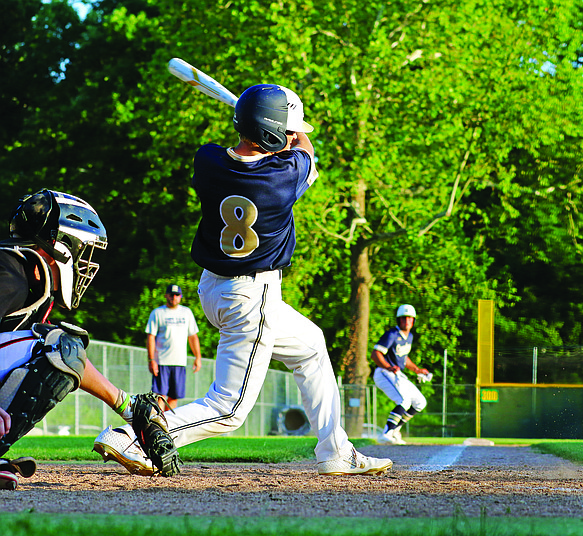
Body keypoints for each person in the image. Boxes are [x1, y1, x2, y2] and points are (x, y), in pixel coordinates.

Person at [95, 83, 392, 476]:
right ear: (271, 134)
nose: (291, 136)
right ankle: (132, 436)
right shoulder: (282, 177)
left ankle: (335, 450)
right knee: (229, 409)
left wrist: (258, 119)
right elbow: (304, 148)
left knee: (312, 348)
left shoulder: (208, 161)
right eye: (284, 131)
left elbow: (244, 154)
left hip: (213, 288)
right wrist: (285, 132)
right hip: (252, 297)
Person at [0, 189, 173, 489]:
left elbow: (69, 357)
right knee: (59, 346)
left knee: (63, 345)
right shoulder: (9, 274)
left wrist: (128, 407)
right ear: (61, 247)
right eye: (83, 252)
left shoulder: (23, 277)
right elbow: (59, 350)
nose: (85, 264)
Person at [372, 304, 431, 445]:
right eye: (404, 318)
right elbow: (376, 354)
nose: (407, 321)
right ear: (398, 320)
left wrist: (416, 370)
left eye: (410, 318)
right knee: (404, 400)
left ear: (414, 320)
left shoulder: (409, 336)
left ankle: (394, 431)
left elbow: (403, 357)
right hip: (384, 372)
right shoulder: (392, 334)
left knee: (420, 402)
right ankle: (385, 433)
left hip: (396, 373)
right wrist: (388, 366)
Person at [146, 284, 201, 410]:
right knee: (160, 396)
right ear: (166, 296)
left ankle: (169, 427)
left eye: (177, 295)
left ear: (180, 297)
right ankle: (158, 424)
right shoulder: (158, 313)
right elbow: (151, 337)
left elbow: (192, 336)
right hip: (162, 362)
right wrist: (151, 360)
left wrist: (197, 357)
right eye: (171, 295)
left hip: (179, 362)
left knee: (174, 397)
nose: (174, 298)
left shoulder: (186, 313)